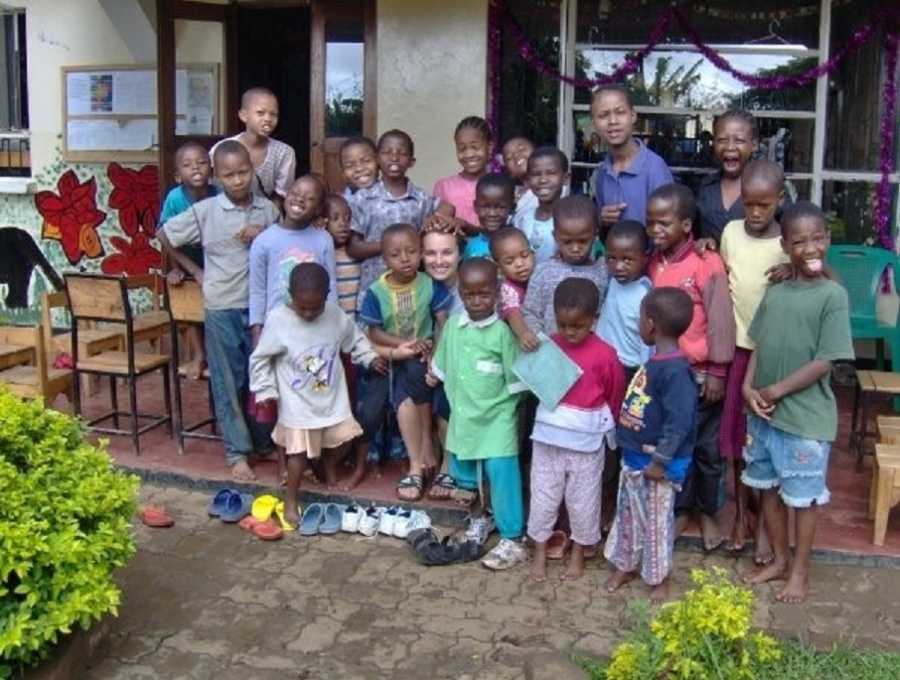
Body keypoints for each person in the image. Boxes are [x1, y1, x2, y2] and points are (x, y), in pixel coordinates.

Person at [742, 202, 853, 605]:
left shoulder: (832, 295)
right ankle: (780, 561)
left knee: (803, 499)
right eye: (800, 241)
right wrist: (749, 389)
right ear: (786, 245)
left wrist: (775, 391)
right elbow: (759, 345)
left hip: (805, 421)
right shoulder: (778, 290)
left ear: (828, 239)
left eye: (818, 238)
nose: (810, 247)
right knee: (768, 491)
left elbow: (826, 361)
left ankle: (801, 572)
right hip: (764, 417)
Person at [158, 140, 280, 481]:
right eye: (229, 175)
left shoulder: (268, 211)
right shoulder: (206, 210)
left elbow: (283, 246)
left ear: (252, 171)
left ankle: (261, 442)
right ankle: (237, 452)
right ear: (217, 176)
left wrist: (265, 232)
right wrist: (194, 270)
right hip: (223, 304)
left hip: (261, 310)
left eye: (243, 172)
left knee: (260, 379)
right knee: (229, 380)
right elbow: (164, 235)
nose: (238, 180)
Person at [248, 263, 388, 524]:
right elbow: (260, 359)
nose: (310, 313)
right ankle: (291, 500)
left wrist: (368, 357)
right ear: (290, 295)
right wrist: (265, 389)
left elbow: (354, 339)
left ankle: (327, 466)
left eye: (316, 307)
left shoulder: (335, 315)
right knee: (297, 456)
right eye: (303, 307)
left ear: (327, 296)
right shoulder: (279, 320)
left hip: (332, 399)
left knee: (347, 436)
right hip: (298, 403)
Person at [646, 183, 735, 550]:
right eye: (651, 223)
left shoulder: (706, 262)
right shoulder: (654, 261)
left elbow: (720, 319)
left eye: (664, 223)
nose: (656, 230)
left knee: (708, 450)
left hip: (701, 373)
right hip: (668, 373)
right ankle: (682, 510)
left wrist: (718, 370)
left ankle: (709, 511)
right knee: (677, 444)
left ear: (686, 224)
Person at [429, 257, 530, 570]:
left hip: (497, 418)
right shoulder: (454, 330)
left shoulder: (502, 333)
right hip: (464, 419)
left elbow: (517, 384)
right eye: (469, 294)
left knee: (502, 476)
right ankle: (478, 520)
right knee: (466, 478)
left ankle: (513, 538)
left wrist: (512, 421)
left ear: (497, 293)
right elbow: (442, 368)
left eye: (484, 294)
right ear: (460, 292)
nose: (476, 301)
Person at [605, 287, 698, 603]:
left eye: (640, 319)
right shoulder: (656, 361)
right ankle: (625, 564)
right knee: (628, 515)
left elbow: (679, 422)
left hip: (657, 465)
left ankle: (659, 578)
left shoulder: (675, 371)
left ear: (651, 324)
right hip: (633, 459)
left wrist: (661, 461)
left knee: (656, 523)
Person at [528, 278, 625, 582]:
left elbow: (615, 394)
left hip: (586, 440)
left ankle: (578, 553)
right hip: (547, 438)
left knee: (583, 500)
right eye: (563, 324)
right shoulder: (548, 345)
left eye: (578, 326)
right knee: (543, 496)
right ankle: (540, 552)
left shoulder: (606, 354)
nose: (569, 332)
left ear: (594, 320)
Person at [718, 159, 789, 561]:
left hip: (773, 355)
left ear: (779, 199)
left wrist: (792, 267)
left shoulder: (787, 244)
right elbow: (723, 274)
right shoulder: (730, 232)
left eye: (764, 204)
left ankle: (766, 521)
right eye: (749, 204)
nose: (756, 213)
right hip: (737, 349)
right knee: (735, 440)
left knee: (766, 438)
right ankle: (742, 515)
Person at [357, 223, 452, 501]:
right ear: (385, 259)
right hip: (390, 356)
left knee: (417, 372)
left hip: (423, 357)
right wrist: (403, 345)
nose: (405, 259)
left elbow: (442, 321)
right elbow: (374, 332)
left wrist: (437, 354)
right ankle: (422, 453)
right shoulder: (377, 291)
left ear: (421, 253)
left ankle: (419, 464)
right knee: (377, 402)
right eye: (396, 254)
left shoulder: (429, 285)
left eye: (412, 252)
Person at [346, 129, 451, 307]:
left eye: (402, 153)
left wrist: (438, 216)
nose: (394, 157)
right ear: (377, 158)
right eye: (387, 152)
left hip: (413, 291)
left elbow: (448, 207)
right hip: (374, 289)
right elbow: (353, 248)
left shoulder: (420, 198)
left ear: (411, 162)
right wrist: (390, 246)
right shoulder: (362, 199)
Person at [597, 219, 653, 529]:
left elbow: (649, 345)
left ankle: (624, 510)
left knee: (627, 441)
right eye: (612, 258)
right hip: (605, 372)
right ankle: (604, 503)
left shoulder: (645, 293)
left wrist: (644, 383)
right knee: (605, 441)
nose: (619, 266)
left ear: (645, 257)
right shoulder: (610, 283)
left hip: (632, 375)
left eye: (628, 259)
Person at [248, 175, 337, 344]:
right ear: (285, 196)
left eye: (309, 198)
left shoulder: (323, 239)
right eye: (294, 192)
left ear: (318, 209)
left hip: (315, 326)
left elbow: (331, 285)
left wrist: (332, 324)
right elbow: (257, 290)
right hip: (277, 329)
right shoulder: (264, 241)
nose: (299, 199)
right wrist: (257, 330)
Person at [159, 141, 219, 379]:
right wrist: (181, 270)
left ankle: (215, 357)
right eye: (187, 165)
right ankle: (199, 354)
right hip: (186, 261)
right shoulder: (175, 198)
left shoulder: (219, 195)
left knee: (215, 310)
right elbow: (166, 237)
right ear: (177, 176)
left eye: (202, 163)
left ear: (212, 170)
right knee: (188, 302)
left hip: (216, 261)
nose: (196, 168)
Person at [521, 195, 609, 350]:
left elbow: (604, 317)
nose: (575, 249)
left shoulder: (603, 273)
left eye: (582, 241)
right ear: (555, 236)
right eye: (567, 241)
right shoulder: (544, 271)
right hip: (550, 354)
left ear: (595, 235)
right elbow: (531, 312)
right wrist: (539, 342)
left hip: (589, 354)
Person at [590, 84, 672, 234]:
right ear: (594, 123)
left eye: (620, 112)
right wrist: (603, 220)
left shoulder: (655, 168)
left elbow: (669, 227)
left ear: (633, 116)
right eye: (603, 115)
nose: (612, 121)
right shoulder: (602, 173)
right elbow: (602, 230)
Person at [211, 87, 296, 211]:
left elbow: (280, 196)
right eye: (260, 113)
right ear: (243, 115)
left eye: (273, 114)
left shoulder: (284, 153)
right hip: (224, 213)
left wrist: (266, 222)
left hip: (265, 215)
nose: (268, 119)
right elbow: (211, 188)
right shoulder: (222, 149)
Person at [696, 110, 758, 245]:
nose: (730, 147)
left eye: (739, 140)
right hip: (711, 265)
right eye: (722, 140)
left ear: (754, 145)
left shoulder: (769, 187)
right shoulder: (706, 187)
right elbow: (695, 233)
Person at [433, 116, 492, 233]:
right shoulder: (444, 186)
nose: (469, 154)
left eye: (475, 147)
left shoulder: (498, 185)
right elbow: (438, 226)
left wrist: (465, 225)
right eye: (462, 149)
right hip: (453, 250)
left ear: (490, 147)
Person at [513, 147, 571, 265]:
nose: (543, 180)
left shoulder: (573, 220)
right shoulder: (522, 219)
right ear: (528, 180)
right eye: (536, 174)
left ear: (565, 178)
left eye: (551, 173)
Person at [491, 227, 536, 350]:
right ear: (498, 267)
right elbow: (512, 313)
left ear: (533, 254)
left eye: (524, 255)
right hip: (515, 340)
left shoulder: (538, 276)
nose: (520, 264)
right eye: (510, 261)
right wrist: (523, 333)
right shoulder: (507, 288)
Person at [324, 193, 361, 318]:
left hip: (355, 325)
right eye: (335, 218)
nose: (343, 224)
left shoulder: (356, 252)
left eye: (347, 218)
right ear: (322, 221)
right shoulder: (322, 254)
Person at [463, 173, 516, 260]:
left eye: (500, 207)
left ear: (512, 208)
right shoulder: (472, 247)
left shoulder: (516, 243)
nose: (492, 214)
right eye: (485, 207)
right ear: (475, 207)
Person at [502, 135, 536, 223]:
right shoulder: (510, 195)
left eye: (521, 149)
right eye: (509, 158)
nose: (516, 155)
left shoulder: (551, 188)